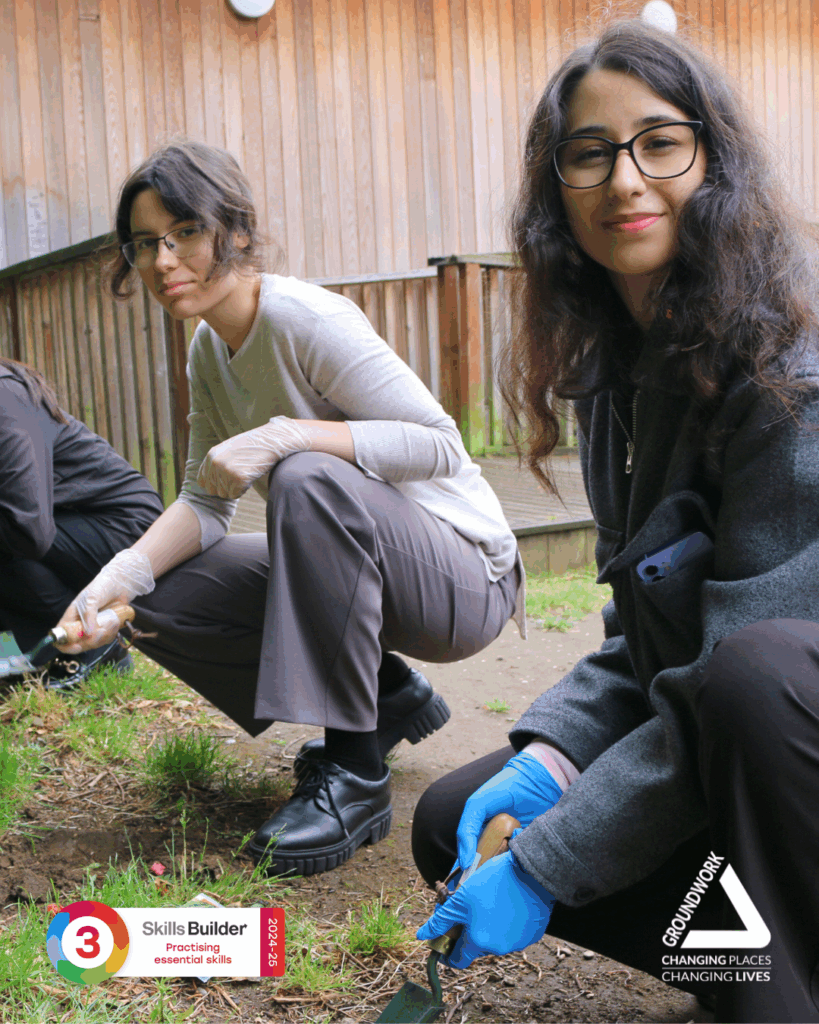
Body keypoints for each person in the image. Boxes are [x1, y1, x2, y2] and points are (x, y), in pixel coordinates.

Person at [413, 18, 819, 1024]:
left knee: (754, 676)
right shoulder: (622, 366)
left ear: (713, 160)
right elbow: (653, 636)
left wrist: (551, 859)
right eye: (588, 153)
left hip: (788, 729)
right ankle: (764, 968)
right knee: (446, 820)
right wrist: (544, 764)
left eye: (659, 143)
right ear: (556, 188)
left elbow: (736, 670)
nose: (624, 180)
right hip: (744, 727)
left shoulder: (792, 370)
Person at [53, 140, 525, 877]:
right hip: (367, 570)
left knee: (306, 474)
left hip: (464, 579)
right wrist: (119, 577)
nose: (162, 261)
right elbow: (205, 501)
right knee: (165, 593)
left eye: (183, 234)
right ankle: (385, 697)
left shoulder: (305, 318)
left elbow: (439, 444)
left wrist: (286, 435)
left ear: (233, 231)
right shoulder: (209, 349)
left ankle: (355, 775)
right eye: (144, 244)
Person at [0, 357, 164, 687]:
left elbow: (28, 529)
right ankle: (15, 660)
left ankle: (90, 654)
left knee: (11, 537)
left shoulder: (4, 395)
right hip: (59, 525)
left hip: (122, 527)